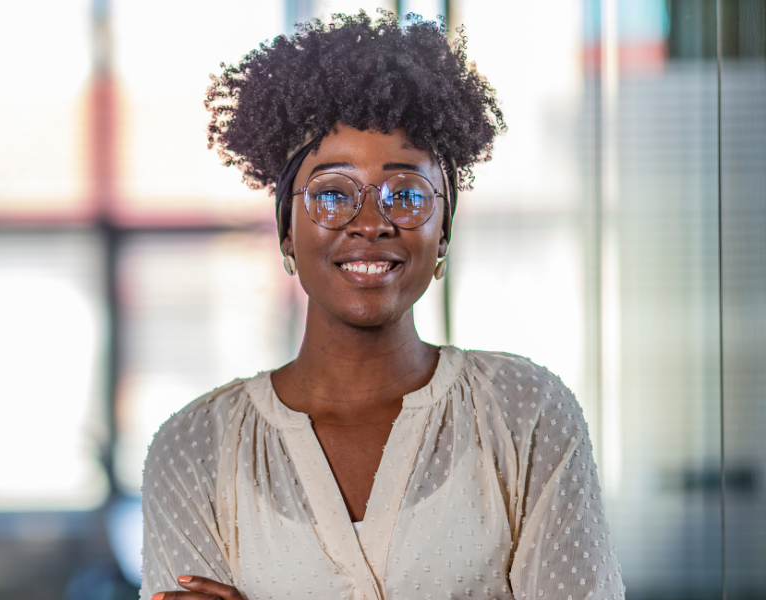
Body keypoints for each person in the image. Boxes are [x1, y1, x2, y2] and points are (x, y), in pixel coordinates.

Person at [140, 12, 624, 600]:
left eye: (407, 194)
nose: (370, 223)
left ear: (443, 232)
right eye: (332, 194)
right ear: (286, 231)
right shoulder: (195, 448)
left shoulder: (527, 413)